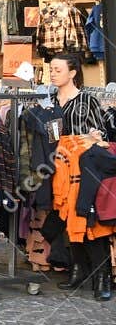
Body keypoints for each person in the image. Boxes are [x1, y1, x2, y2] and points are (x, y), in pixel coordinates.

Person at [45, 52, 115, 301]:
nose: (52, 73)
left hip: (85, 168)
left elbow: (102, 137)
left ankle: (102, 276)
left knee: (90, 222)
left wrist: (91, 137)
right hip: (58, 167)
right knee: (66, 219)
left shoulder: (87, 101)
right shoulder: (49, 101)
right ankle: (79, 269)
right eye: (51, 69)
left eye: (57, 69)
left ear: (72, 73)